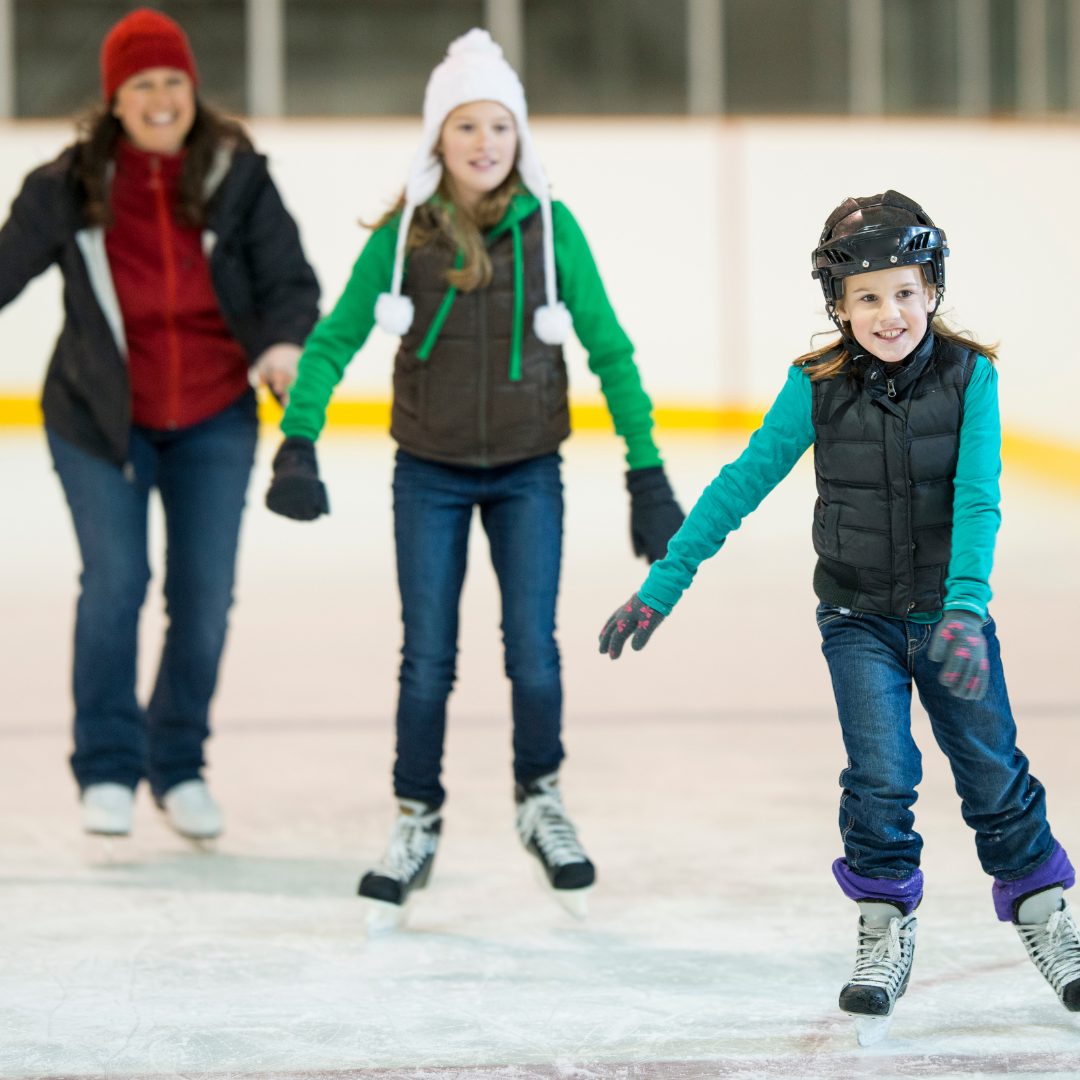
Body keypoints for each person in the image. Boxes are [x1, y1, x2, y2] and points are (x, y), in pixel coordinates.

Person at [599, 191, 1079, 1040]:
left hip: (948, 616)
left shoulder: (971, 377)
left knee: (993, 770)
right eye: (866, 297)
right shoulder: (814, 388)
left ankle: (1047, 920)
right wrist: (662, 584)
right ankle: (885, 926)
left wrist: (965, 609)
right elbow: (738, 487)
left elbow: (978, 501)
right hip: (856, 618)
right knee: (882, 776)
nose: (889, 313)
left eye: (904, 290)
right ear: (837, 306)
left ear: (932, 286)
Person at [266, 29, 683, 925]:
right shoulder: (406, 235)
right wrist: (298, 438)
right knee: (427, 661)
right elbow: (337, 336)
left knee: (533, 651)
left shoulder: (552, 228)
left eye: (500, 125)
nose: (486, 143)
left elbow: (609, 347)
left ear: (520, 136)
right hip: (429, 474)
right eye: (467, 126)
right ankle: (416, 819)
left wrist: (645, 469)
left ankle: (542, 803)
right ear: (437, 139)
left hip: (530, 470)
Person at [0, 8, 320, 841]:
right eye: (141, 83)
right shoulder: (66, 187)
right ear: (114, 98)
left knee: (203, 598)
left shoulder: (236, 176)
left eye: (172, 79)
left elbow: (290, 279)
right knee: (116, 581)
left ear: (193, 88)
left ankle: (177, 765)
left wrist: (285, 343)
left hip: (215, 414)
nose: (160, 97)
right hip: (98, 420)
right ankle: (107, 764)